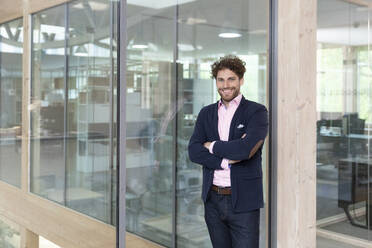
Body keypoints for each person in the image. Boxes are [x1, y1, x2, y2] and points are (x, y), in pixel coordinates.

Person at [188, 55, 268, 248]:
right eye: (221, 80)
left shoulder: (256, 112)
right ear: (216, 82)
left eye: (231, 79)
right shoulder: (206, 113)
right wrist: (224, 161)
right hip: (212, 199)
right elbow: (193, 151)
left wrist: (212, 145)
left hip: (243, 202)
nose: (226, 85)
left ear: (241, 80)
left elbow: (244, 149)